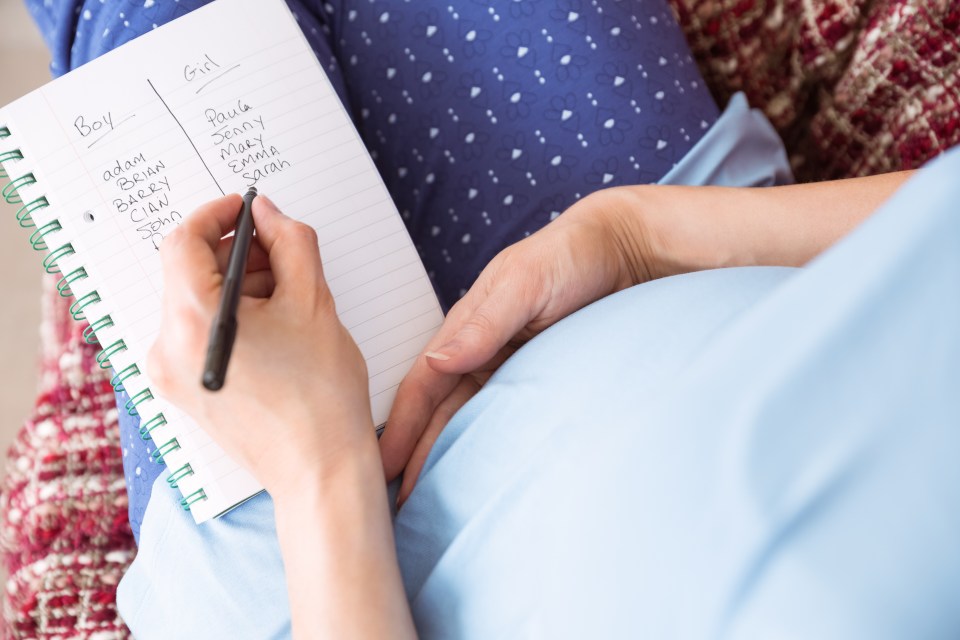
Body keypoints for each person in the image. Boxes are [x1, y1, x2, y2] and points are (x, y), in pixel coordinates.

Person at [28, 1, 960, 638]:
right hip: (662, 242)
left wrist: (320, 468)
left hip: (309, 557)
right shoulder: (643, 233)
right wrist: (638, 233)